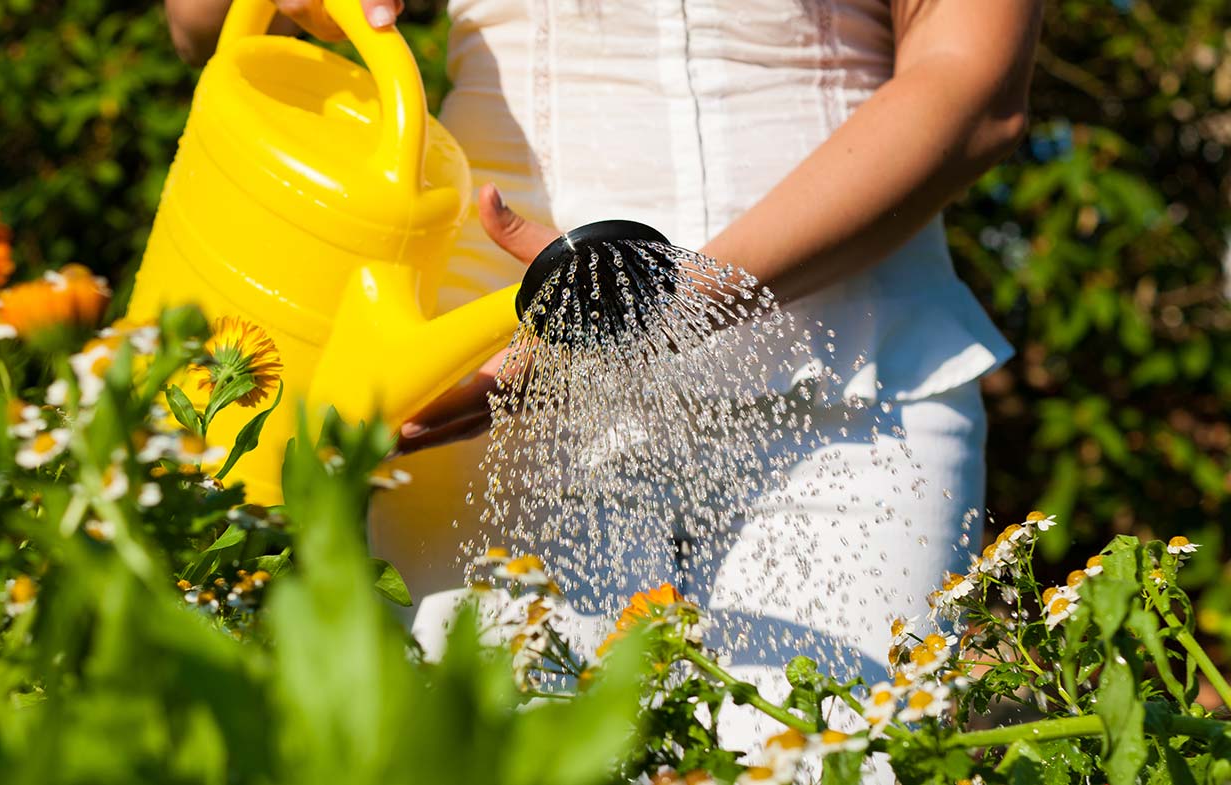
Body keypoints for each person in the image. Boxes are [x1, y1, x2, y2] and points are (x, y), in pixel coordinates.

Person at [166, 0, 1038, 752]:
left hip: (848, 389)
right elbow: (200, 22)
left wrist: (665, 301)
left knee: (851, 758)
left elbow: (973, 85)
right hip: (505, 383)